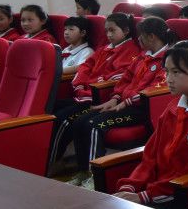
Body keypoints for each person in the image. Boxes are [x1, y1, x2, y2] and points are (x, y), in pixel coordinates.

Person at [114, 42, 188, 209]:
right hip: (157, 190)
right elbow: (150, 155)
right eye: (167, 71)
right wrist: (131, 185)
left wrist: (145, 196)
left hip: (184, 195)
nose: (168, 79)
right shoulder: (173, 107)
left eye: (176, 72)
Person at [71, 17, 177, 170]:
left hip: (142, 109)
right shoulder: (143, 56)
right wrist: (115, 98)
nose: (138, 39)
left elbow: (155, 89)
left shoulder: (167, 59)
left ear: (151, 37)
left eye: (141, 35)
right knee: (79, 122)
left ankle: (92, 175)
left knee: (93, 126)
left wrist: (125, 102)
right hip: (125, 103)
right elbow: (125, 79)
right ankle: (81, 170)